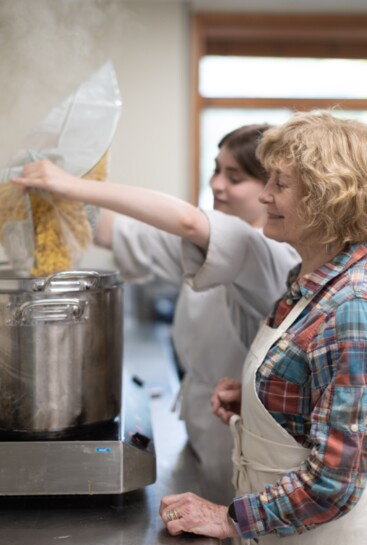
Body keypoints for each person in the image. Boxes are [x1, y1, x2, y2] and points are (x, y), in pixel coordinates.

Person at [11, 124, 299, 506]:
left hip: (242, 446)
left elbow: (187, 220)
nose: (217, 185)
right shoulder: (210, 247)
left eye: (236, 177)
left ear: (271, 189)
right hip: (206, 430)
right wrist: (43, 197)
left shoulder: (269, 253)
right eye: (216, 170)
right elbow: (116, 232)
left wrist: (72, 185)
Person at [156, 111, 367, 545]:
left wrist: (227, 517)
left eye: (279, 184)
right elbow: (318, 394)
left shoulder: (351, 305)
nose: (265, 196)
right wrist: (259, 400)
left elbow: (334, 481)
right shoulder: (305, 280)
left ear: (328, 196)